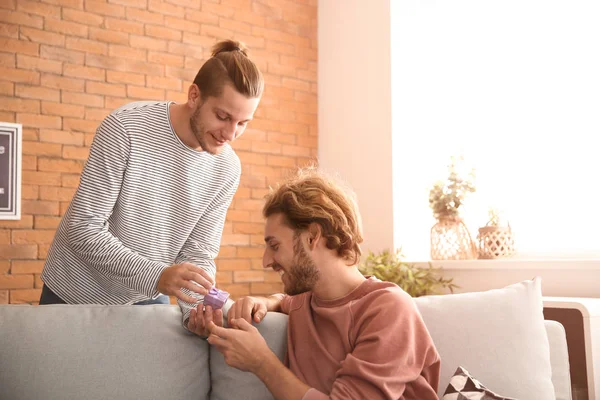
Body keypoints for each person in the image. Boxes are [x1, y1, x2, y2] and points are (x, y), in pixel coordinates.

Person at [39, 40, 263, 325]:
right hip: (74, 293)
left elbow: (198, 253)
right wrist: (157, 276)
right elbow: (84, 226)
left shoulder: (227, 167)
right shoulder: (125, 128)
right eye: (222, 116)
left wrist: (193, 312)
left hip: (149, 295)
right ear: (194, 95)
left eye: (243, 123)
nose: (230, 134)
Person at [188, 167, 441, 399]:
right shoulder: (305, 302)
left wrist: (261, 362)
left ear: (313, 236)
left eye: (274, 246)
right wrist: (265, 301)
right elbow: (287, 301)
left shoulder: (389, 310)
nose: (266, 261)